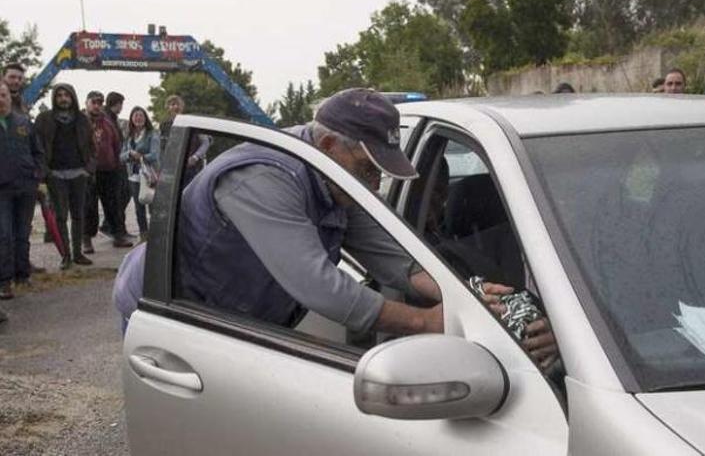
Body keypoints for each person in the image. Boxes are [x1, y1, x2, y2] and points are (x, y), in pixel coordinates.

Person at [175, 88, 556, 354]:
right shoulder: (263, 178)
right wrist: (430, 322)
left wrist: (467, 294)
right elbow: (319, 285)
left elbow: (394, 258)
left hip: (250, 323)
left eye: (379, 174)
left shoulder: (336, 176)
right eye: (367, 170)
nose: (374, 186)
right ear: (327, 147)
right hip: (186, 319)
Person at [34, 84, 94, 270]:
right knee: (60, 216)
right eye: (59, 95)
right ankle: (65, 255)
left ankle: (77, 253)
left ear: (73, 97)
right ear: (55, 98)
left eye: (66, 95)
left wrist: (88, 168)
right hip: (55, 174)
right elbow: (37, 147)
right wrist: (45, 173)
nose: (63, 98)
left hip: (79, 173)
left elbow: (92, 146)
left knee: (78, 215)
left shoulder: (83, 119)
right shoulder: (44, 119)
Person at [0, 82, 44, 299]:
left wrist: (37, 175)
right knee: (4, 235)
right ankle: (4, 281)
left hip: (25, 186)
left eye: (3, 95)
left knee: (22, 233)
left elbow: (38, 152)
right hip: (2, 191)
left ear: (9, 97)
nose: (1, 99)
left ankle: (22, 274)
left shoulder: (24, 122)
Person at [83, 91, 131, 252]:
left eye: (99, 102)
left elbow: (117, 144)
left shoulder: (108, 123)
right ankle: (87, 240)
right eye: (94, 102)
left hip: (109, 170)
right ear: (87, 103)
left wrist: (117, 164)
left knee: (113, 205)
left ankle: (118, 236)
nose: (97, 105)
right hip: (88, 172)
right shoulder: (80, 122)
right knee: (89, 207)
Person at [120, 107, 160, 242]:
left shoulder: (152, 134)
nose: (138, 118)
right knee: (139, 208)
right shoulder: (129, 136)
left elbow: (154, 155)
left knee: (153, 206)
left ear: (145, 118)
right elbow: (121, 156)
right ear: (131, 118)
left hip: (149, 175)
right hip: (133, 177)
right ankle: (144, 236)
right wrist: (130, 154)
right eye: (135, 116)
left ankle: (157, 236)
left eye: (141, 115)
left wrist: (139, 157)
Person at [159, 95, 210, 186]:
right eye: (172, 104)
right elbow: (162, 147)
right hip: (172, 169)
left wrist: (195, 157)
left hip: (191, 169)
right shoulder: (164, 125)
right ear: (168, 108)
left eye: (178, 104)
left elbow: (206, 142)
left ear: (182, 107)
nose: (176, 107)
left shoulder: (192, 122)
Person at [102, 91, 133, 240]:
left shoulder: (111, 118)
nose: (122, 107)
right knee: (119, 197)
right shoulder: (107, 119)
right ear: (117, 103)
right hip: (112, 164)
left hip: (116, 162)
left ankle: (115, 226)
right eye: (121, 103)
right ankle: (115, 228)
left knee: (123, 195)